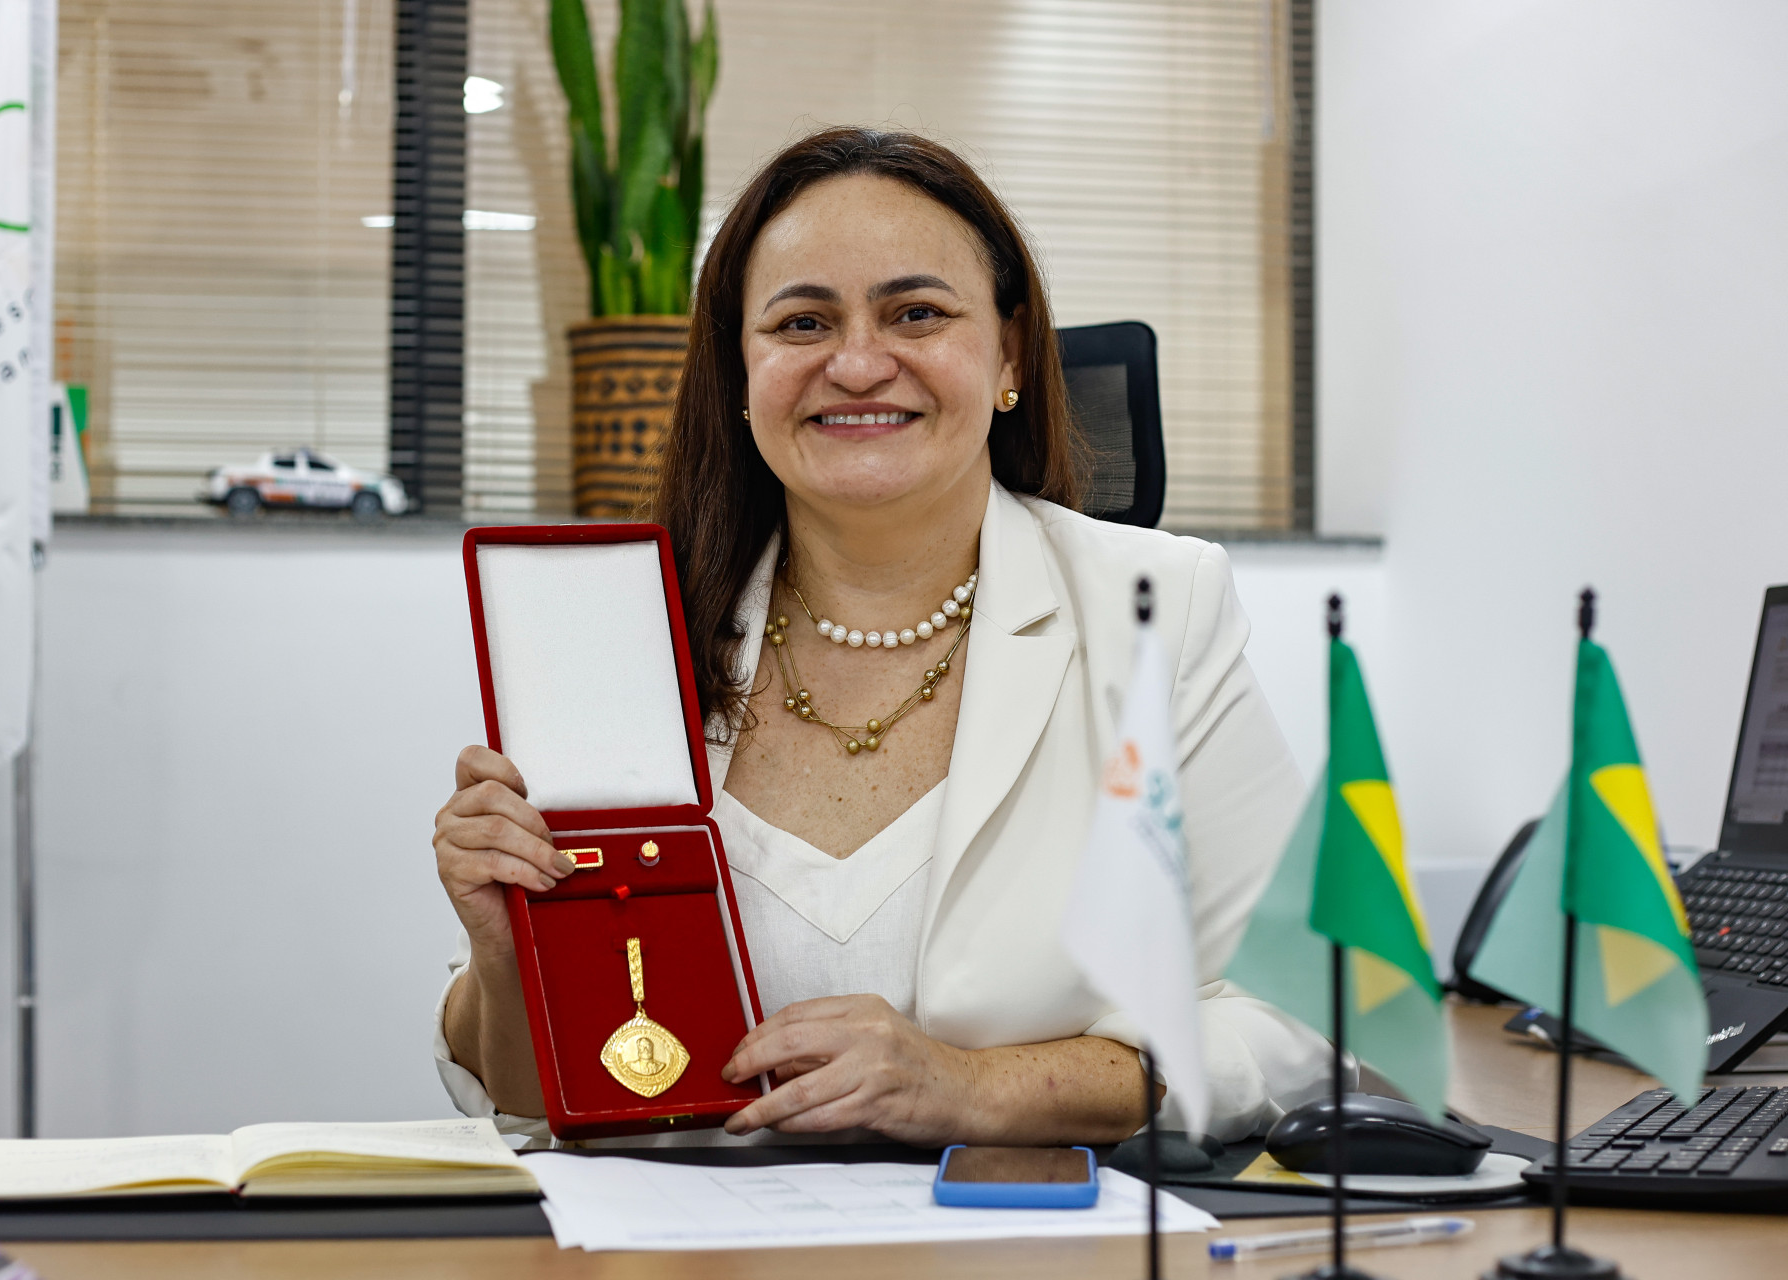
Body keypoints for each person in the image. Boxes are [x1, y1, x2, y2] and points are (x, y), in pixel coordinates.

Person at [432, 127, 1331, 1148]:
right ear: (738, 370)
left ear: (1009, 355)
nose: (858, 364)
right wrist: (507, 957)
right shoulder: (618, 629)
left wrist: (978, 1086)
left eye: (917, 312)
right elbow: (540, 1099)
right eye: (803, 320)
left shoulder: (1155, 610)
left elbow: (1299, 1015)